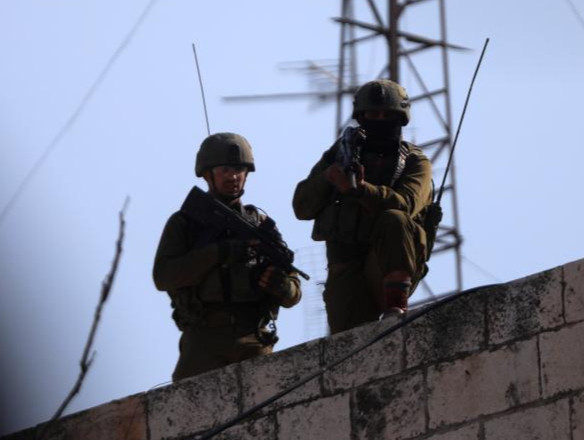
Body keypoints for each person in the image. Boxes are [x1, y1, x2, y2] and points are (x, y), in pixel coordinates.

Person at [153, 132, 301, 381]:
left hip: (253, 336)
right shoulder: (185, 223)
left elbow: (294, 289)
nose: (233, 177)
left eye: (239, 169)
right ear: (207, 174)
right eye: (224, 170)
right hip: (203, 337)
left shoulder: (260, 225)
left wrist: (283, 286)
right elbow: (163, 276)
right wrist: (218, 253)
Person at [293, 79, 433, 334]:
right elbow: (302, 207)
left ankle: (396, 308)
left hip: (388, 263)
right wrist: (328, 178)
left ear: (400, 118)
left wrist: (360, 189)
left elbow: (407, 204)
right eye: (372, 115)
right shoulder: (339, 154)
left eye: (387, 115)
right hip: (346, 268)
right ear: (361, 117)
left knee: (394, 218)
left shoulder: (414, 162)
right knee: (348, 343)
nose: (379, 121)